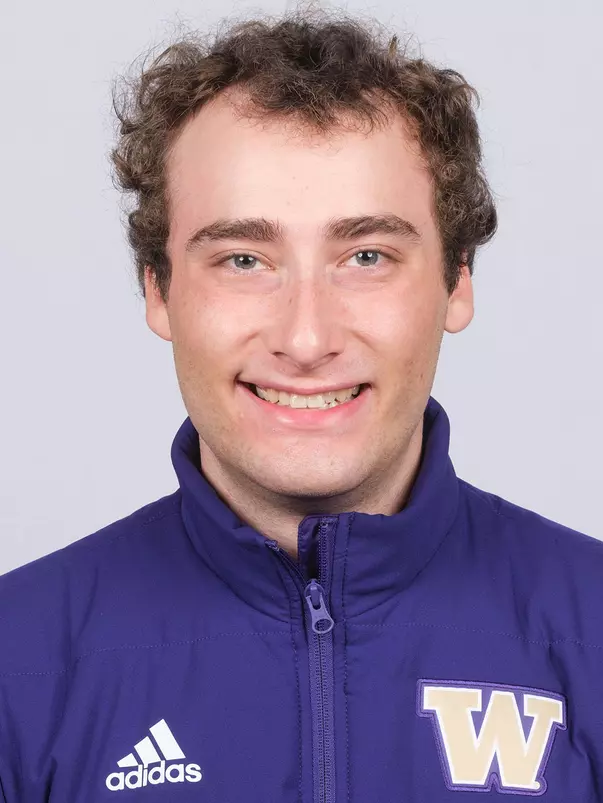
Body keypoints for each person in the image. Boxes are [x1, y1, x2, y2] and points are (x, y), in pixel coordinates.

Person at [0, 7, 601, 801]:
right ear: (158, 288)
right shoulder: (20, 658)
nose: (307, 335)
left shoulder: (588, 629)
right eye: (243, 258)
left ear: (457, 280)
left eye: (365, 255)